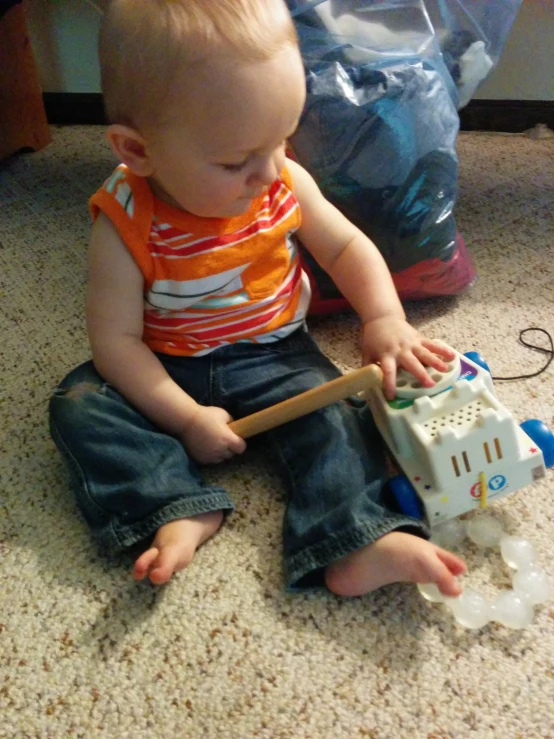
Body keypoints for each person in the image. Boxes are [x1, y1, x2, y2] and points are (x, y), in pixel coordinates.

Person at [49, 0, 466, 596]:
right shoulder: (122, 221)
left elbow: (346, 247)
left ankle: (357, 538)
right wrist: (185, 418)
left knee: (336, 420)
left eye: (280, 141)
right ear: (138, 151)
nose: (269, 172)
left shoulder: (281, 179)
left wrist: (383, 318)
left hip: (277, 355)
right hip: (165, 366)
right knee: (80, 405)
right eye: (235, 160)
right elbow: (116, 343)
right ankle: (176, 504)